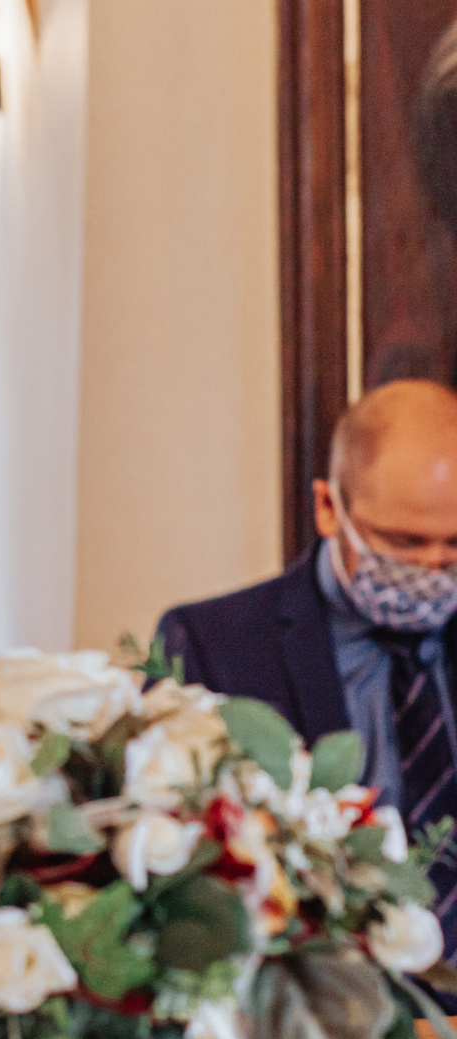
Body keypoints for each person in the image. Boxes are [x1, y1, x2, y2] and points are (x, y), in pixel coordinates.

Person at [157, 378, 457, 942]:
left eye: (455, 544)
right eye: (405, 542)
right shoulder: (212, 647)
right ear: (328, 508)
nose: (434, 567)